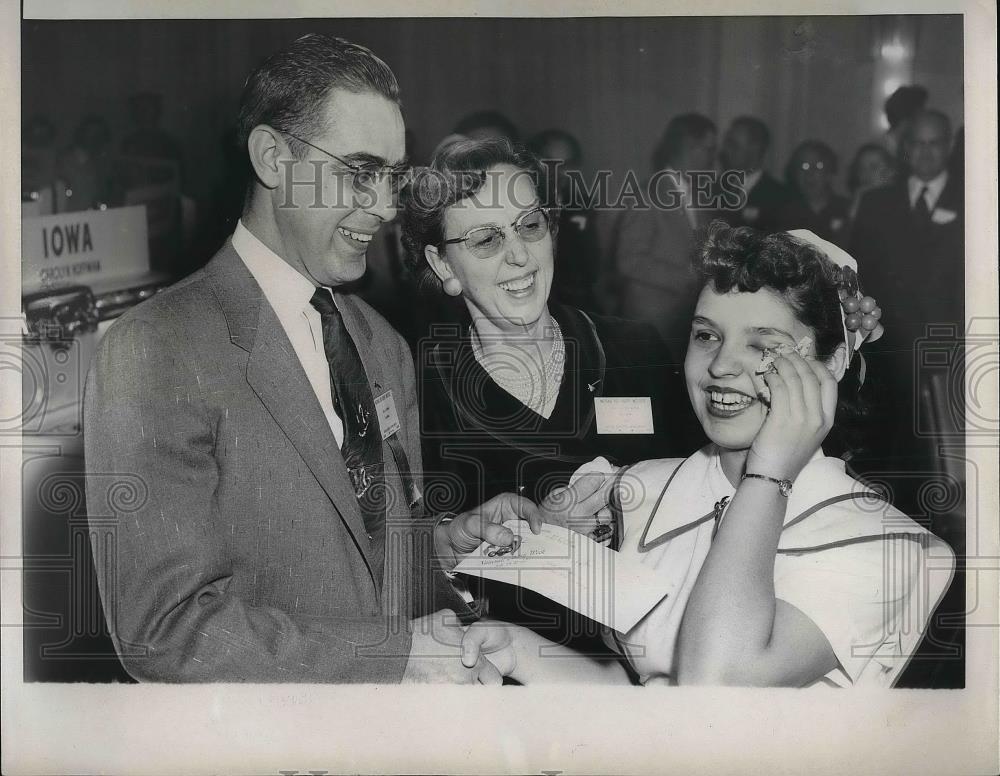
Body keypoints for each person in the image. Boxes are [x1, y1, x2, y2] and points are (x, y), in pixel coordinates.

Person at [82, 33, 582, 685]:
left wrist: (446, 544)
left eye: (393, 178)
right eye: (359, 172)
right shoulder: (156, 348)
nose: (385, 206)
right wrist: (392, 658)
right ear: (272, 157)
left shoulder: (381, 343)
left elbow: (369, 551)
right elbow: (163, 631)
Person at [567, 223, 954, 686]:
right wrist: (516, 649)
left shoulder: (883, 543)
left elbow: (715, 684)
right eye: (707, 336)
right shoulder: (639, 490)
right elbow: (646, 691)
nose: (720, 366)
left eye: (762, 345)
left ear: (829, 366)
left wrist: (770, 473)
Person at [400, 137, 700, 654]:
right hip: (513, 674)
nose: (520, 255)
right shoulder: (421, 388)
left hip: (662, 657)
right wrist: (524, 546)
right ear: (444, 266)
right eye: (486, 240)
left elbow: (715, 485)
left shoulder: (633, 349)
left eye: (530, 225)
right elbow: (403, 568)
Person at [849, 109, 963, 504]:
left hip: (950, 350)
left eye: (935, 143)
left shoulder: (976, 196)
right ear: (904, 149)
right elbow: (859, 272)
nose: (927, 153)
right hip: (890, 348)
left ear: (949, 146)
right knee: (887, 455)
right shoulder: (877, 202)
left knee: (942, 464)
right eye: (918, 143)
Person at [609, 113, 718, 362]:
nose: (714, 158)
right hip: (651, 321)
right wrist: (689, 278)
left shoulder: (698, 193)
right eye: (710, 149)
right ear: (690, 147)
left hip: (681, 319)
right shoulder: (648, 194)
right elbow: (629, 259)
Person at [527, 128, 602, 313]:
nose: (557, 171)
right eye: (549, 162)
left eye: (566, 164)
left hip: (576, 304)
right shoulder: (522, 203)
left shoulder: (582, 203)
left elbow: (592, 265)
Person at [718, 115, 792, 233]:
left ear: (755, 148)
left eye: (734, 145)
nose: (726, 150)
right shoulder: (714, 189)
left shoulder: (780, 197)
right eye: (727, 144)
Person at [778, 140, 850, 246]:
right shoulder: (784, 214)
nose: (810, 174)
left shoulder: (847, 210)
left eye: (818, 166)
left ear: (830, 173)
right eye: (804, 166)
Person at [845, 143, 897, 224]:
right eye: (861, 168)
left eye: (873, 167)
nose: (866, 173)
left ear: (891, 171)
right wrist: (854, 209)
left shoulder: (901, 206)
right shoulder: (856, 203)